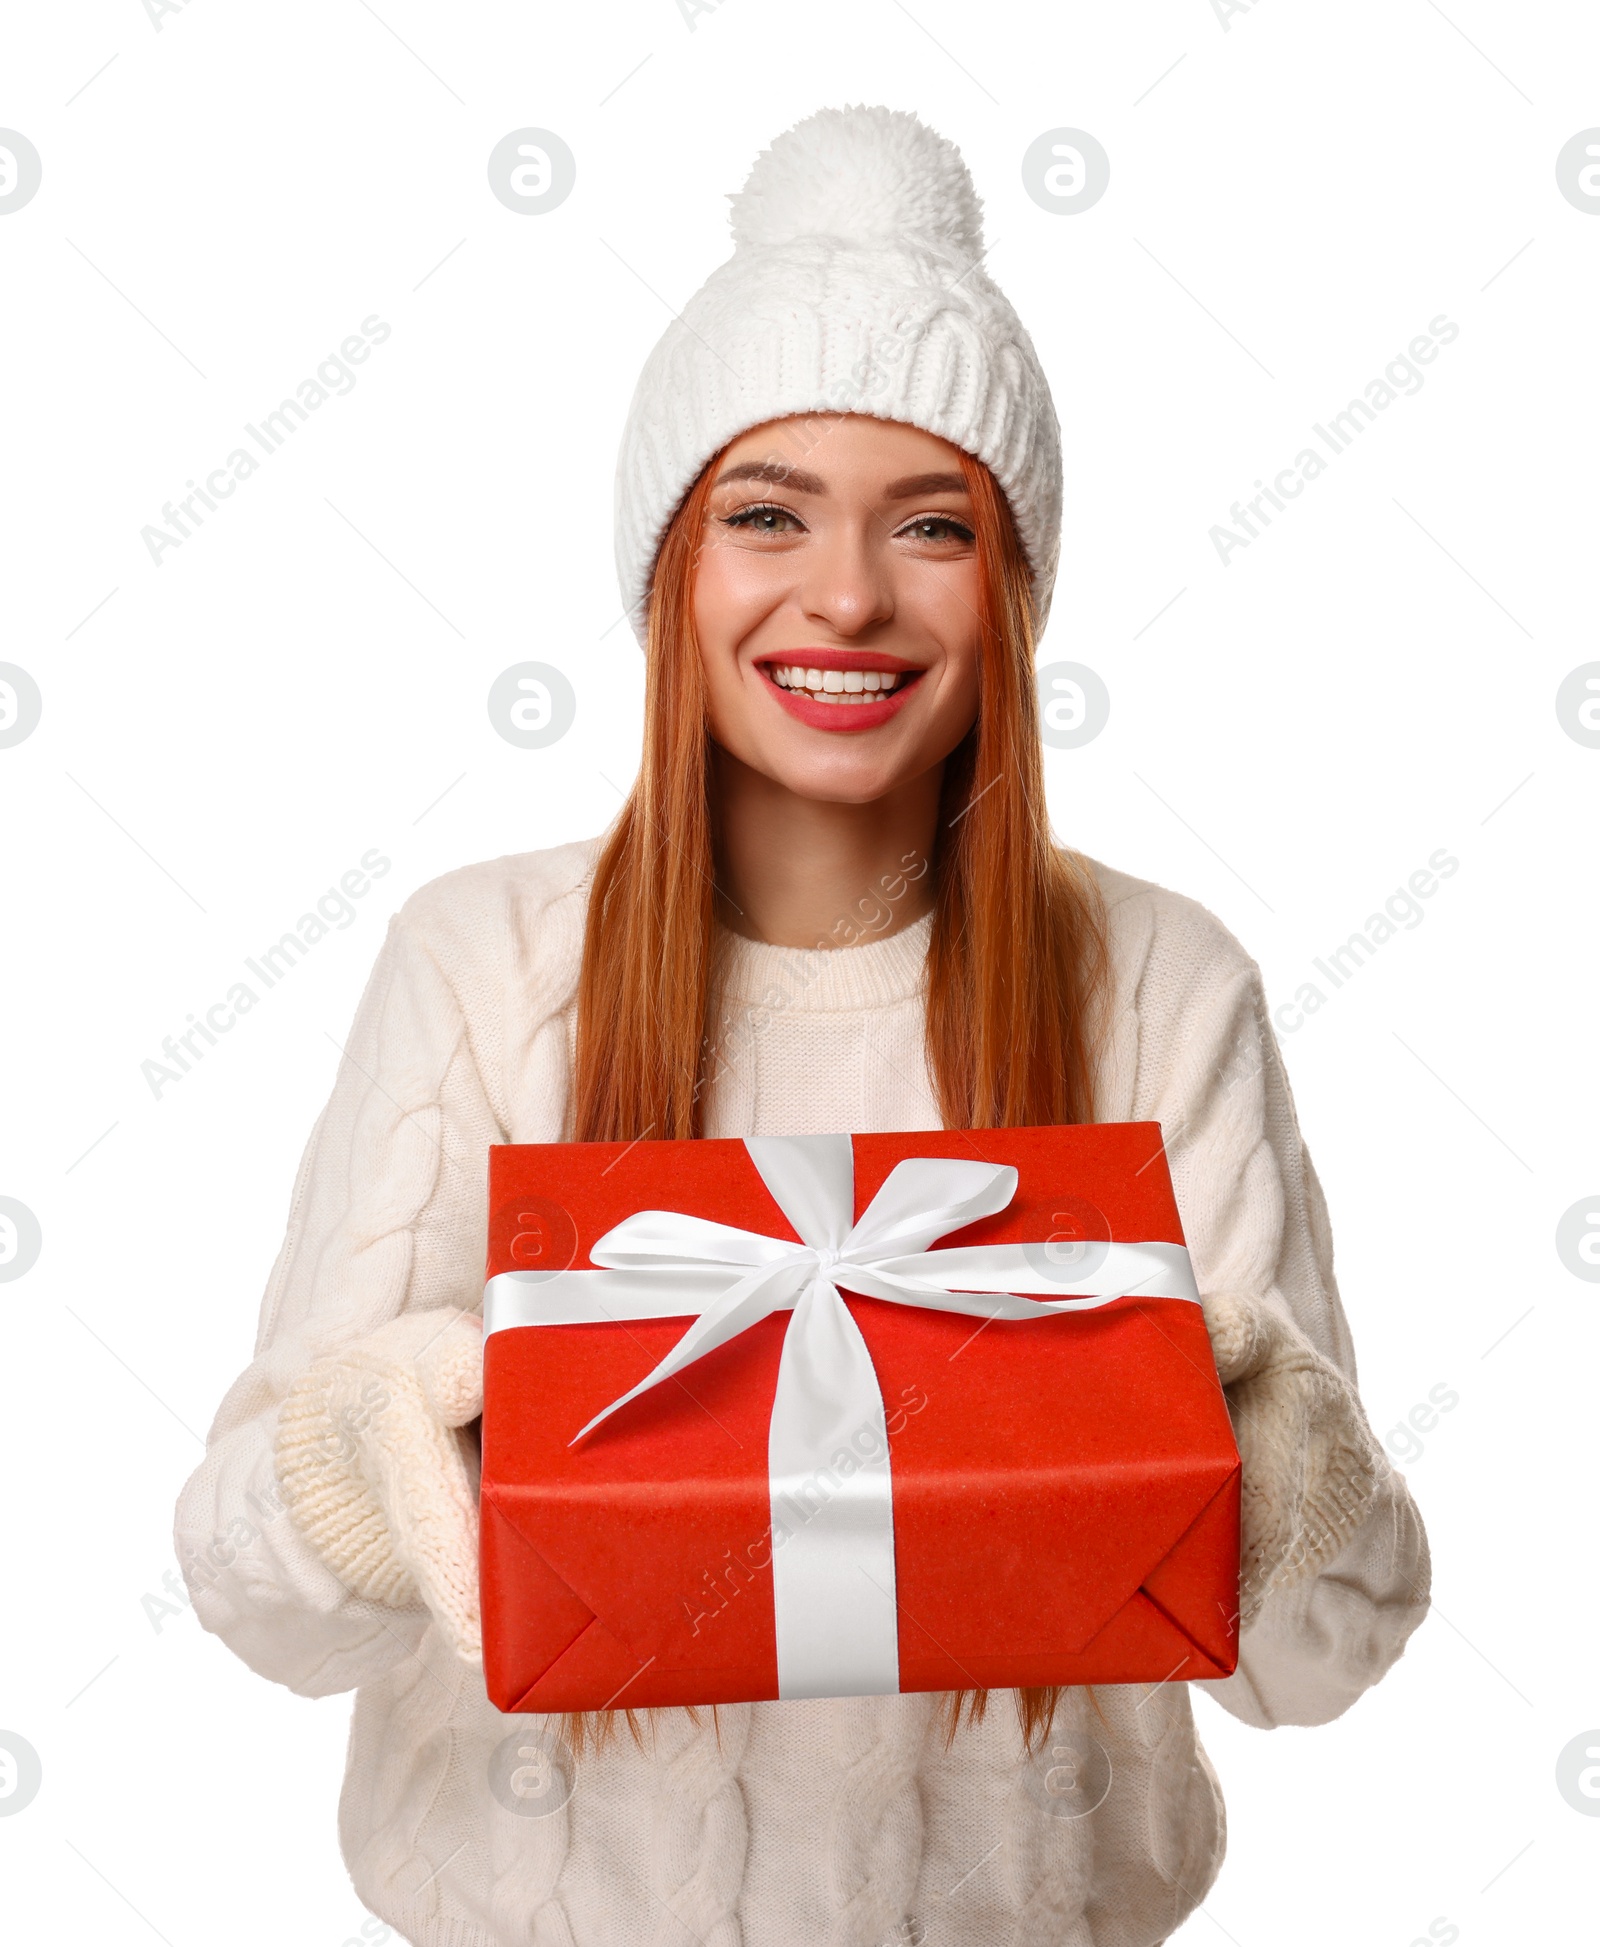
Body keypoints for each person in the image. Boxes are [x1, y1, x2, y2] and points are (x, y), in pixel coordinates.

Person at [176, 104, 1429, 1947]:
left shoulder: (1166, 984)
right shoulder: (482, 962)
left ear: (1011, 592)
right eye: (767, 513)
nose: (845, 595)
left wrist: (1297, 1466)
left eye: (930, 525)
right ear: (674, 564)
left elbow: (1314, 1672)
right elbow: (261, 1610)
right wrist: (360, 1462)